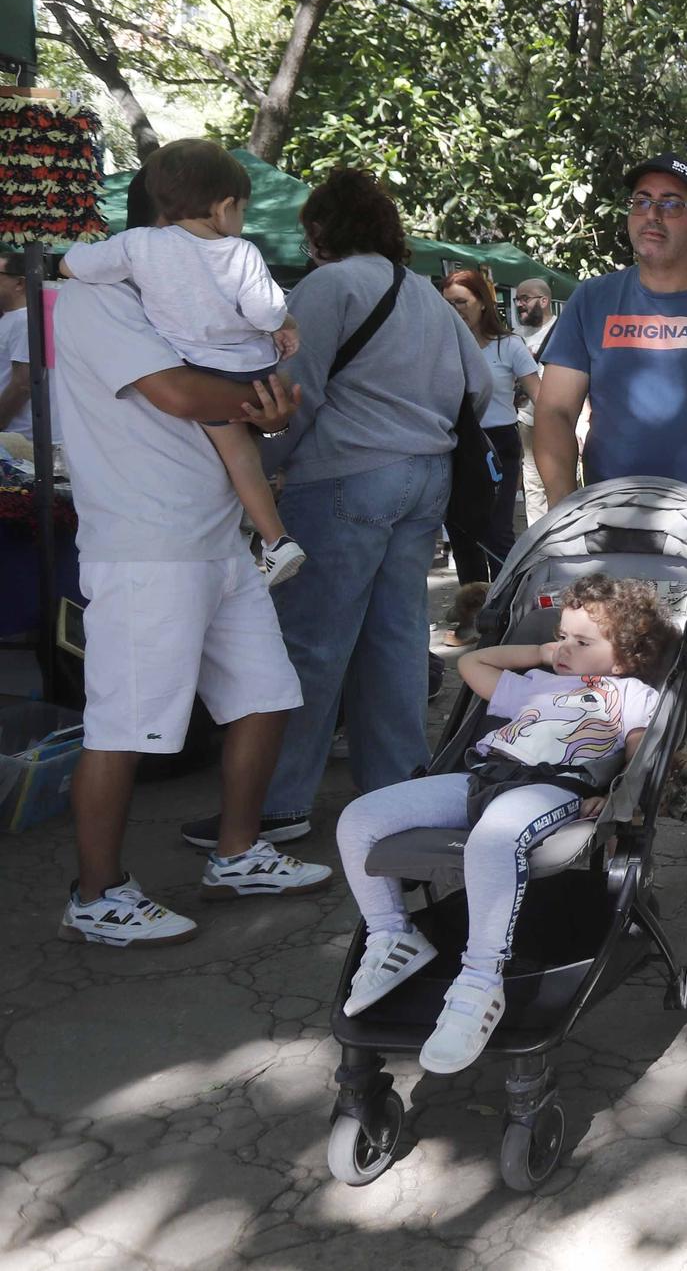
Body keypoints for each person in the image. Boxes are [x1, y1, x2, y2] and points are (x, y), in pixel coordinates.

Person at [179, 167, 493, 849]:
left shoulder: (329, 286)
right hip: (424, 481)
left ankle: (280, 802)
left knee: (312, 645)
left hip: (346, 478)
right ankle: (399, 787)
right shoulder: (427, 296)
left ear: (320, 230)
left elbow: (291, 397)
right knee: (395, 638)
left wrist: (253, 477)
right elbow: (481, 384)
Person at [56, 164, 327, 946]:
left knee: (267, 695)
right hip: (145, 544)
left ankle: (238, 852)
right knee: (125, 726)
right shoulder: (93, 298)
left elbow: (233, 393)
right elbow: (176, 393)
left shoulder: (196, 287)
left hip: (214, 539)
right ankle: (96, 892)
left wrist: (264, 412)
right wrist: (267, 404)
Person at [532, 151, 687, 871]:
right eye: (642, 199)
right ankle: (612, 802)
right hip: (614, 531)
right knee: (616, 673)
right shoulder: (594, 301)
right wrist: (561, 509)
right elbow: (553, 409)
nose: (653, 213)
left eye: (673, 202)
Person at [334, 575, 673, 1069]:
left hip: (555, 785)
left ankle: (479, 981)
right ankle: (392, 936)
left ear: (622, 657)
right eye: (562, 635)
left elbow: (640, 752)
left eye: (582, 642)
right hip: (483, 776)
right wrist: (540, 652)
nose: (565, 647)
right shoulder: (534, 684)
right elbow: (473, 661)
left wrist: (619, 795)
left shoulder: (632, 693)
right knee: (359, 819)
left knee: (493, 839)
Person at [58, 139, 305, 587]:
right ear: (225, 205)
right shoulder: (237, 252)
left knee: (238, 450)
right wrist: (271, 389)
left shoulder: (138, 252)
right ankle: (275, 538)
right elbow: (180, 394)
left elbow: (72, 263)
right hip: (155, 548)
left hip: (213, 538)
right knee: (242, 451)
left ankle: (274, 540)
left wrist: (272, 417)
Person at [441, 270, 540, 588]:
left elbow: (541, 396)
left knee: (497, 532)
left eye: (461, 301)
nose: (455, 309)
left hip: (499, 442)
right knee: (460, 531)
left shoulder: (509, 345)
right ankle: (471, 611)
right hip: (456, 443)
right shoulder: (440, 346)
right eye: (447, 303)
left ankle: (503, 609)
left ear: (483, 303)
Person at [513, 277, 557, 525]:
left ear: (544, 300)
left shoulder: (563, 330)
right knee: (532, 483)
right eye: (517, 299)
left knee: (559, 479)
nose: (520, 304)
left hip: (559, 418)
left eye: (525, 298)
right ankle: (537, 542)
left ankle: (563, 537)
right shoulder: (515, 337)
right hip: (526, 418)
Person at [0, 252, 29, 434]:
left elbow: (23, 383)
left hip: (18, 437)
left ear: (19, 283)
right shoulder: (9, 317)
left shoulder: (25, 321)